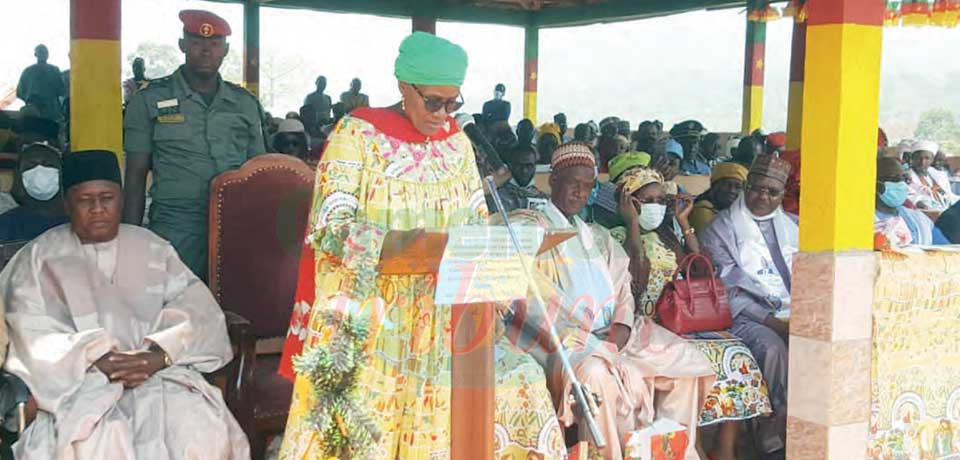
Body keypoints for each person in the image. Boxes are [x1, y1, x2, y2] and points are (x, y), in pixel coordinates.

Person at [277, 32, 565, 459]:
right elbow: (330, 229)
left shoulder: (457, 146)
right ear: (402, 86)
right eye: (433, 101)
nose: (442, 114)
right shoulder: (356, 136)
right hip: (371, 324)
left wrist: (508, 245)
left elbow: (472, 227)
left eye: (453, 103)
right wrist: (410, 249)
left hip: (440, 323)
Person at [0, 150, 248, 459]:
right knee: (97, 439)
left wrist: (159, 354)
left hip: (158, 376)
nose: (98, 209)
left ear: (122, 199)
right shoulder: (38, 258)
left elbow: (197, 310)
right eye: (85, 200)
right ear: (67, 204)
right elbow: (29, 331)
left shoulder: (153, 247)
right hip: (80, 383)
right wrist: (93, 359)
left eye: (107, 198)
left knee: (198, 429)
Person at [505, 142, 714, 460]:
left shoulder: (598, 236)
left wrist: (620, 330)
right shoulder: (530, 226)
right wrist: (590, 342)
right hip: (566, 341)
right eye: (573, 184)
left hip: (616, 336)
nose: (580, 193)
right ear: (553, 181)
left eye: (587, 186)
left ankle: (665, 452)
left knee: (687, 364)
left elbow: (624, 292)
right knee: (596, 376)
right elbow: (530, 299)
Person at [610, 167, 772, 460]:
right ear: (628, 202)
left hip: (682, 319)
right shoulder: (617, 236)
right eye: (647, 200)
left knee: (736, 354)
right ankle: (691, 444)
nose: (656, 207)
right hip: (648, 325)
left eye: (661, 200)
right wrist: (632, 224)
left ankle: (725, 448)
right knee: (703, 359)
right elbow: (634, 282)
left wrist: (684, 223)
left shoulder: (667, 235)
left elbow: (701, 271)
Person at [122, 9, 267, 280]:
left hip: (234, 225)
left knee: (235, 312)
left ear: (225, 50)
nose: (205, 51)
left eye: (214, 45)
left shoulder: (245, 104)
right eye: (197, 43)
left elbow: (259, 173)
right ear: (182, 45)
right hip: (176, 227)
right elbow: (135, 179)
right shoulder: (148, 100)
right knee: (173, 308)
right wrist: (128, 243)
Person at [701, 156, 797, 460]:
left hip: (792, 310)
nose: (763, 197)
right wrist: (776, 323)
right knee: (772, 348)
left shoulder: (793, 226)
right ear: (747, 188)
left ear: (782, 195)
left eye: (772, 192)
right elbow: (727, 290)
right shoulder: (721, 228)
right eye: (756, 189)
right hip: (744, 317)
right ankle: (771, 438)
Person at [0, 143, 68, 241]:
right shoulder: (7, 224)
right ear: (19, 176)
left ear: (62, 172)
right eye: (30, 166)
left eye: (47, 164)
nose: (39, 171)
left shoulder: (80, 218)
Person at [874, 157, 947, 248]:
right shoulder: (867, 221)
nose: (901, 183)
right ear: (875, 183)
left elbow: (944, 248)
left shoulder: (918, 218)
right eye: (893, 179)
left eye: (904, 178)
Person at [689, 162, 749, 236]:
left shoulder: (738, 211)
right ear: (714, 186)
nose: (732, 190)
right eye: (726, 185)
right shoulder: (702, 210)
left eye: (738, 187)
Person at [488, 143, 547, 213]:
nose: (524, 171)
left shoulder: (543, 199)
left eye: (529, 166)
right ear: (510, 165)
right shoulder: (497, 198)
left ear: (535, 167)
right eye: (519, 165)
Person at [16, 44, 65, 122]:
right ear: (35, 54)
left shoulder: (54, 70)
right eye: (41, 52)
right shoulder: (28, 71)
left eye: (45, 52)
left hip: (51, 112)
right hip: (34, 112)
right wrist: (31, 100)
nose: (43, 54)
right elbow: (19, 92)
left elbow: (62, 90)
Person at [907, 140, 959, 211]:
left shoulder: (938, 174)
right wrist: (917, 202)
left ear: (932, 160)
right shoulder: (906, 176)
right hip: (924, 213)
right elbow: (907, 197)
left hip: (944, 211)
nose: (922, 162)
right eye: (918, 158)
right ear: (912, 158)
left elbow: (949, 195)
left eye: (927, 158)